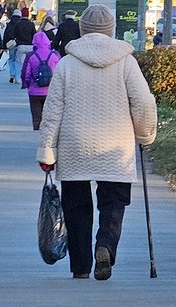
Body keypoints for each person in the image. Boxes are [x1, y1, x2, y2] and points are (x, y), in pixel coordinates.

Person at [36, 5, 157, 281]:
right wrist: (144, 134)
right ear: (111, 30)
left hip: (74, 144)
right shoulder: (126, 62)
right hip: (116, 145)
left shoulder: (66, 64)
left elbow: (52, 110)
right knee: (113, 203)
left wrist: (47, 150)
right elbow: (143, 103)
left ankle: (80, 266)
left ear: (82, 30)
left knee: (76, 206)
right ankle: (105, 246)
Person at [20, 31, 60, 130]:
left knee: (36, 117)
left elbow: (26, 74)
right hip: (50, 91)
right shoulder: (55, 55)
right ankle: (47, 135)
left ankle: (36, 133)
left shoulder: (31, 56)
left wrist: (27, 84)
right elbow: (60, 73)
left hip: (34, 92)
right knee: (49, 117)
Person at [2, 9, 36, 84]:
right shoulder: (31, 24)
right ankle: (28, 78)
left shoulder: (18, 24)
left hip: (20, 45)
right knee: (28, 63)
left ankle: (17, 78)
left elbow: (15, 35)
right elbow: (34, 35)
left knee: (18, 62)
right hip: (30, 46)